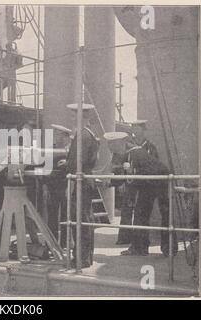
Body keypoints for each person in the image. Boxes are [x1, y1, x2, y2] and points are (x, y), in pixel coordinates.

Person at [103, 132, 178, 257]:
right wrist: (109, 183)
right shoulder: (126, 154)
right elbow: (125, 176)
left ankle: (165, 248)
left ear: (122, 143)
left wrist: (115, 180)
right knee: (141, 214)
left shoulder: (136, 153)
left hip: (159, 181)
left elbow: (133, 175)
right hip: (148, 184)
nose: (110, 147)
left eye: (112, 144)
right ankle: (141, 248)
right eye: (109, 144)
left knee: (161, 213)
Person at [63, 103, 100, 268]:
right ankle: (85, 257)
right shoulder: (88, 134)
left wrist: (66, 165)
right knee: (85, 219)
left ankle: (81, 258)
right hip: (86, 180)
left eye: (73, 115)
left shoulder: (83, 135)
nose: (71, 118)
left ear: (80, 117)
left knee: (81, 220)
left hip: (82, 181)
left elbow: (77, 161)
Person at [116, 120, 158, 245]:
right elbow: (120, 163)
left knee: (141, 212)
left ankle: (139, 240)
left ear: (143, 130)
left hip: (144, 185)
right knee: (126, 210)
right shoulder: (128, 145)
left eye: (137, 128)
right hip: (130, 183)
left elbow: (154, 166)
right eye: (133, 128)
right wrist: (122, 181)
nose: (134, 130)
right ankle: (124, 238)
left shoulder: (150, 147)